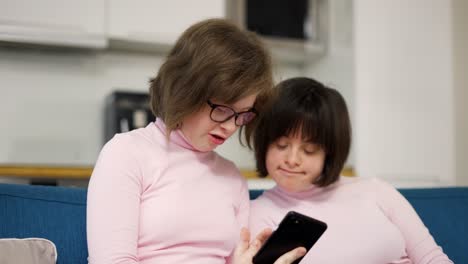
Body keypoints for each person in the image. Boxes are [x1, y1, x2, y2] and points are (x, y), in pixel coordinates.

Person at [87, 18, 305, 264]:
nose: (230, 126)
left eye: (242, 114)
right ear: (186, 89)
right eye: (222, 109)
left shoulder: (231, 176)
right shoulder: (127, 153)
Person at [250, 77, 453, 263]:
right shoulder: (257, 212)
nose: (292, 160)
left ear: (329, 152)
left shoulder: (376, 190)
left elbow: (432, 258)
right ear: (265, 144)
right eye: (281, 145)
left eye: (309, 150)